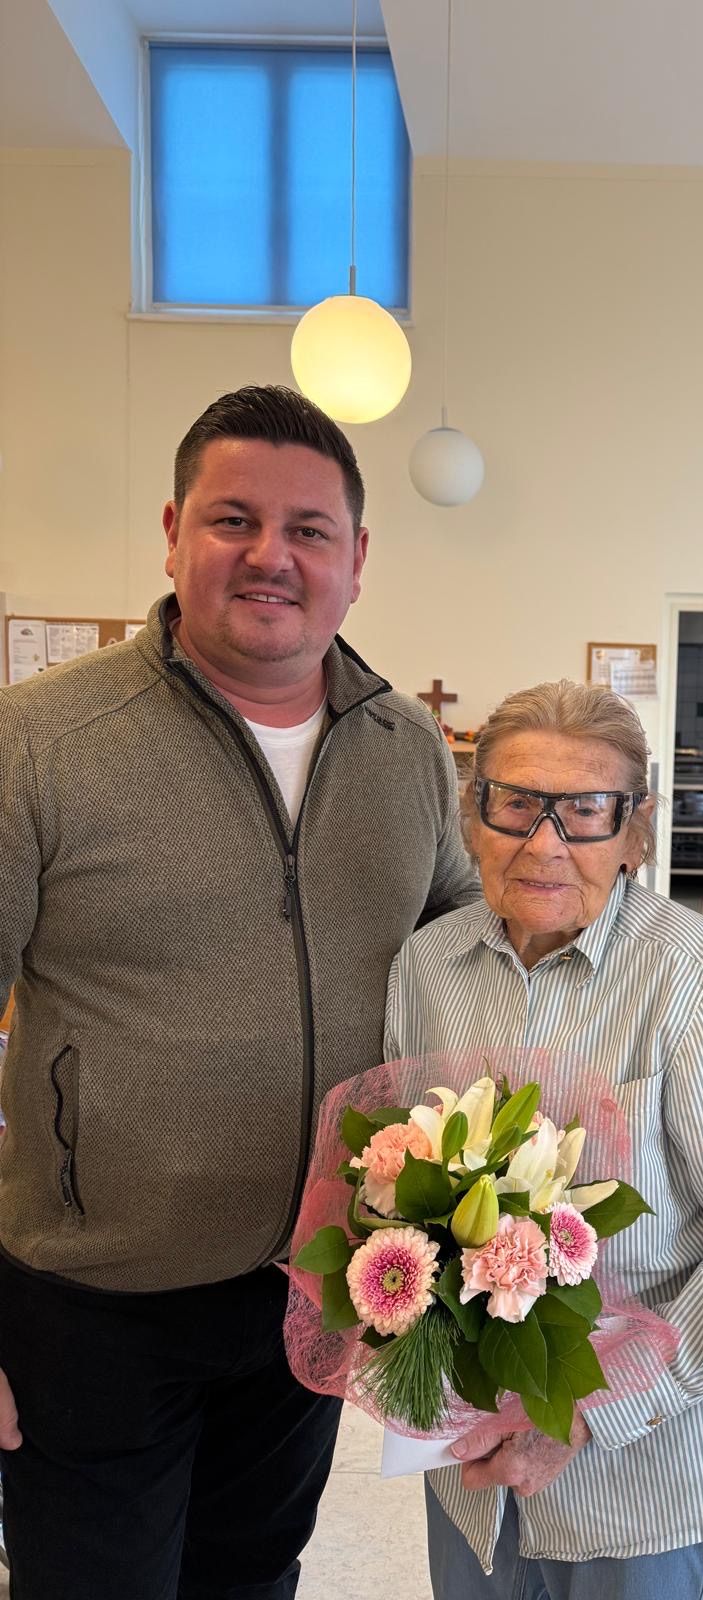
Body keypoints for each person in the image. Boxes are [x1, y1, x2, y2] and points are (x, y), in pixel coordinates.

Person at [0, 384, 478, 1599]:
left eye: (310, 530)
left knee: (253, 1575)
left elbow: (466, 969)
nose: (271, 555)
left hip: (308, 1293)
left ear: (357, 559)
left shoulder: (407, 750)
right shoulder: (42, 742)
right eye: (233, 520)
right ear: (173, 532)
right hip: (91, 1302)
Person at [382, 679, 703, 1600]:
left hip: (644, 1478)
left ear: (636, 831)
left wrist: (597, 1414)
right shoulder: (427, 964)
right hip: (472, 1473)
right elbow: (394, 1182)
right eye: (516, 804)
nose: (545, 842)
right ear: (474, 819)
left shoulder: (692, 975)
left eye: (587, 810)